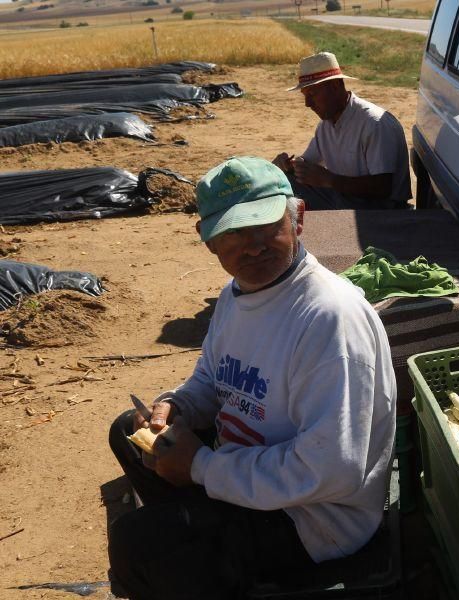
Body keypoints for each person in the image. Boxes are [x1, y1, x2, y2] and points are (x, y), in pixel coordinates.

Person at [107, 156, 397, 600]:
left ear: (297, 217)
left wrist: (201, 467)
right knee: (128, 429)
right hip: (252, 471)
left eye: (266, 227)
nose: (253, 246)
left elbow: (332, 471)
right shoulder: (237, 294)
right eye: (234, 233)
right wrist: (177, 405)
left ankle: (198, 546)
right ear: (208, 241)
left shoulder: (328, 319)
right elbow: (212, 378)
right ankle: (198, 540)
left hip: (313, 519)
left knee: (138, 542)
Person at [273, 51, 412, 210]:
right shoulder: (326, 125)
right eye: (305, 96)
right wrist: (291, 166)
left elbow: (383, 188)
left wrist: (330, 180)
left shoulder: (374, 123)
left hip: (380, 208)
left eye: (312, 93)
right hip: (347, 199)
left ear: (335, 86)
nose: (307, 103)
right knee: (282, 181)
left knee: (287, 193)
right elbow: (307, 162)